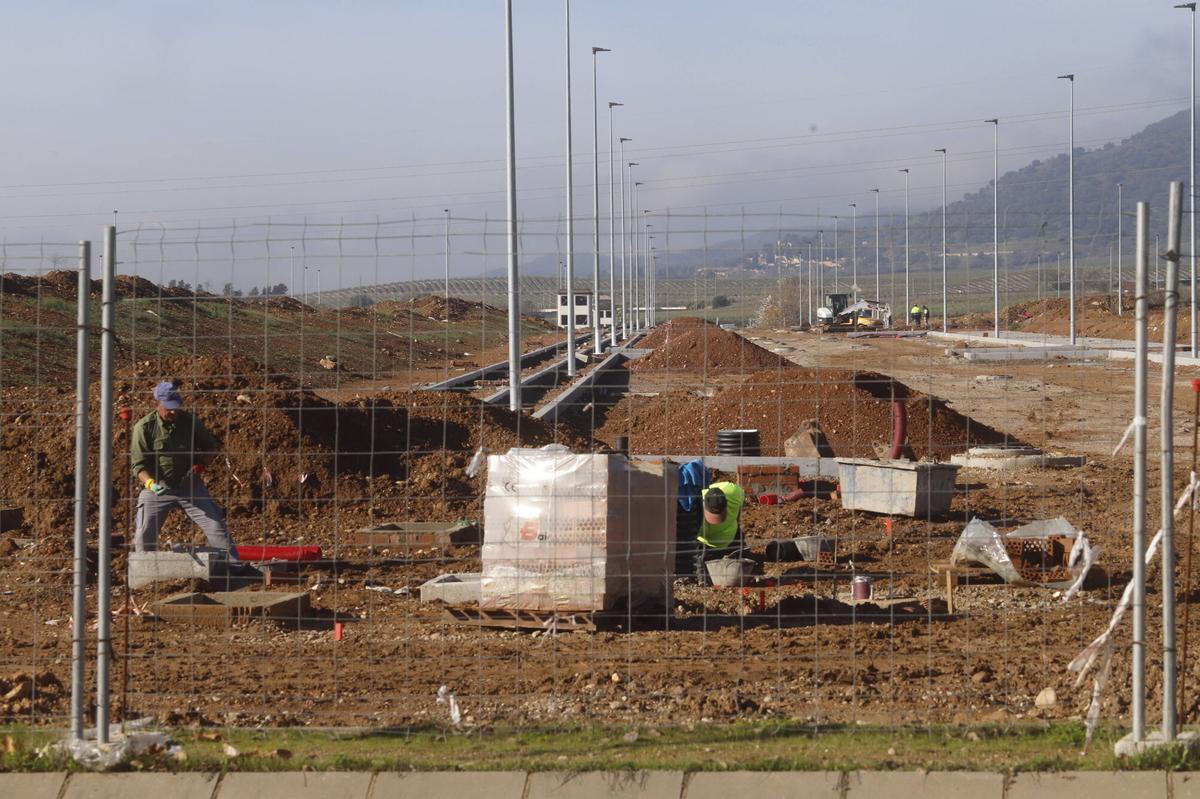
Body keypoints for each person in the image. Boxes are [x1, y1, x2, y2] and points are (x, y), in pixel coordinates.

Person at [131, 381, 246, 569]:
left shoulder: (190, 422)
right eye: (168, 408)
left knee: (216, 527)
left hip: (189, 486)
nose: (173, 412)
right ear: (158, 405)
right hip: (158, 488)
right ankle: (144, 572)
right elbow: (138, 466)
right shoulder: (144, 428)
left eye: (176, 408)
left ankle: (234, 569)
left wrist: (201, 466)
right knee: (144, 532)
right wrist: (151, 484)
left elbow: (211, 447)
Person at [692, 481, 746, 583]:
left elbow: (739, 511)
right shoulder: (695, 509)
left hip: (732, 541)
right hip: (706, 547)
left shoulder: (733, 491)